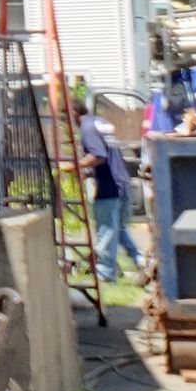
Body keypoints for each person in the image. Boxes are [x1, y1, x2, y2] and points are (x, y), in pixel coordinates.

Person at [78, 101, 141, 285]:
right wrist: (89, 172)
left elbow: (99, 155)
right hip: (122, 182)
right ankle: (141, 262)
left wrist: (76, 165)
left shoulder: (87, 127)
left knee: (106, 230)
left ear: (73, 112)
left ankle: (105, 272)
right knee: (119, 230)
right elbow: (108, 156)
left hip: (109, 186)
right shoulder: (100, 122)